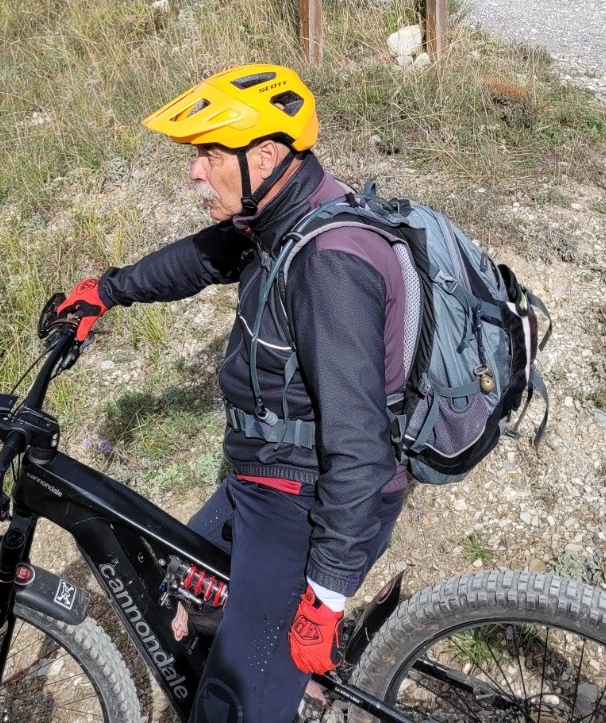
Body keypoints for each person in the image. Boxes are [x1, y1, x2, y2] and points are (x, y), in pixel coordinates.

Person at [57, 63, 408, 723]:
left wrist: (326, 596)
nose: (194, 171)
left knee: (230, 706)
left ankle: (268, 685)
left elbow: (361, 445)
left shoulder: (329, 264)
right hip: (266, 477)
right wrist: (105, 291)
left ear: (268, 155)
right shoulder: (277, 216)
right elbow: (198, 259)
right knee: (169, 575)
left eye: (210, 154)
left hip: (308, 502)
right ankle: (273, 672)